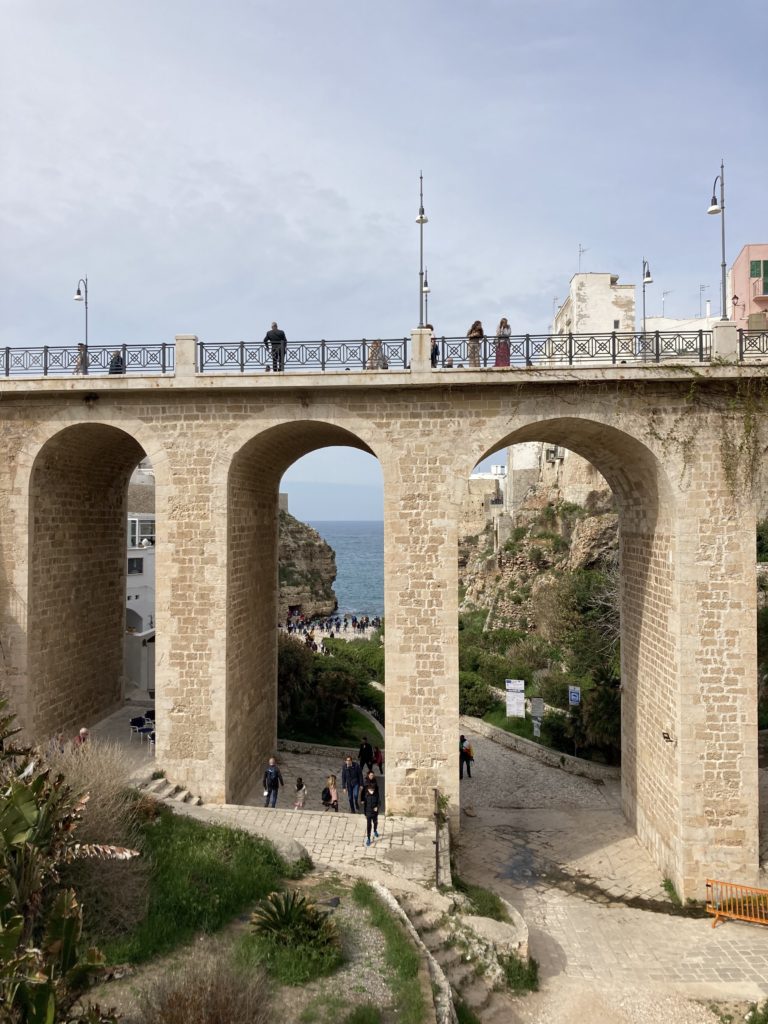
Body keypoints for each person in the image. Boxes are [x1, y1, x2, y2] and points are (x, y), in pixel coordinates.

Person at [360, 780, 380, 846]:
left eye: (373, 790)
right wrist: (365, 814)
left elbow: (379, 802)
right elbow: (365, 806)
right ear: (368, 789)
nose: (372, 791)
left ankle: (375, 830)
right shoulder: (366, 796)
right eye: (370, 790)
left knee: (375, 822)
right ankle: (368, 838)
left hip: (375, 813)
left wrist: (377, 807)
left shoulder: (376, 795)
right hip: (368, 813)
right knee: (369, 825)